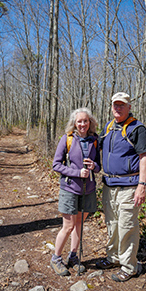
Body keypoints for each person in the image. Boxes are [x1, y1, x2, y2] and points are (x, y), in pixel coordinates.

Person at [96, 92, 146, 282]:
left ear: (129, 107)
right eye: (115, 105)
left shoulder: (137, 128)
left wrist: (141, 185)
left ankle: (129, 266)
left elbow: (144, 157)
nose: (117, 108)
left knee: (127, 226)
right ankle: (113, 258)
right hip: (109, 185)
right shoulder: (109, 127)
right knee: (112, 224)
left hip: (129, 186)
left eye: (122, 105)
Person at [51, 108, 101, 276]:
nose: (82, 124)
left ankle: (73, 257)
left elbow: (99, 166)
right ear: (74, 123)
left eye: (85, 121)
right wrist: (77, 172)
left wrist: (94, 166)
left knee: (79, 224)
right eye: (79, 121)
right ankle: (56, 259)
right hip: (70, 188)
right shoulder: (67, 139)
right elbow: (56, 165)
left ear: (90, 122)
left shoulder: (95, 140)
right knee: (68, 226)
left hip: (88, 189)